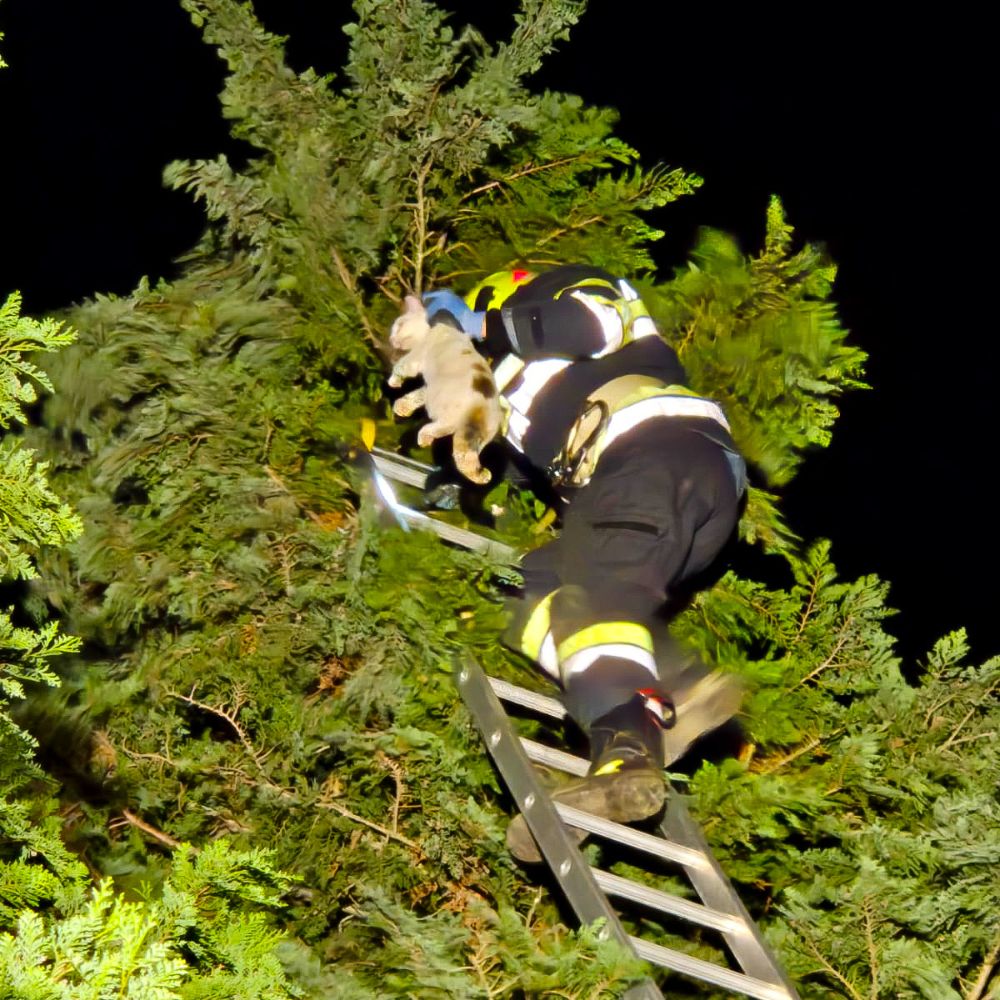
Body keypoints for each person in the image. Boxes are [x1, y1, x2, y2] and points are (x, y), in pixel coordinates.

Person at [419, 264, 746, 862]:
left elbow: (587, 323)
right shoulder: (520, 389)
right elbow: (513, 468)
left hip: (653, 452)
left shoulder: (566, 294)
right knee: (535, 585)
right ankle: (677, 685)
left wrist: (481, 323)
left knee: (598, 597)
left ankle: (626, 747)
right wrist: (451, 470)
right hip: (661, 492)